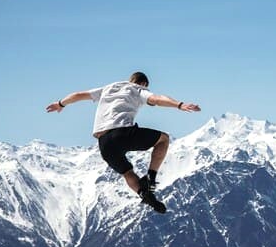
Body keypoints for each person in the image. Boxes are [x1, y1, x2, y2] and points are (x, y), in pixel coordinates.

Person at [46, 72, 201, 213]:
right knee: (163, 139)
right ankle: (150, 178)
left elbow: (78, 95)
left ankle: (144, 194)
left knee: (127, 173)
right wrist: (180, 105)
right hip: (122, 133)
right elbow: (157, 99)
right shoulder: (137, 89)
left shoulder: (108, 88)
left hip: (104, 143)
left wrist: (60, 104)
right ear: (144, 84)